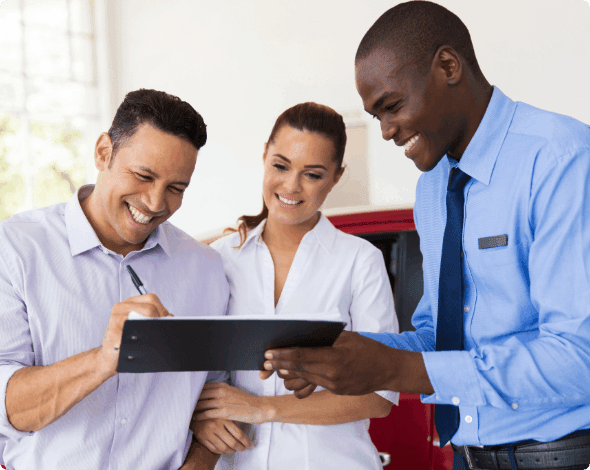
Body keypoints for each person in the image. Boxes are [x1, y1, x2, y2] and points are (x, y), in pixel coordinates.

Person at [261, 3, 590, 470]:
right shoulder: (433, 187)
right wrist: (347, 357)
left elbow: (579, 356)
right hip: (465, 457)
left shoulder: (561, 159)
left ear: (448, 67)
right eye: (375, 116)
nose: (387, 131)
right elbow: (442, 338)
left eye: (391, 107)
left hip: (556, 458)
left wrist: (397, 369)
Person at [0, 89, 227, 470]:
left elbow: (215, 397)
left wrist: (199, 464)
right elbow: (11, 410)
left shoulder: (206, 269)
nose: (156, 203)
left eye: (176, 188)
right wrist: (104, 360)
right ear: (103, 152)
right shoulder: (17, 249)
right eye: (143, 175)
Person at [189, 102, 399, 469]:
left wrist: (263, 408)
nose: (291, 186)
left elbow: (378, 395)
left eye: (313, 174)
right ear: (265, 156)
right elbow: (196, 378)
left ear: (336, 176)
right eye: (281, 165)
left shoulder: (359, 261)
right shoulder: (220, 260)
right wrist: (201, 417)